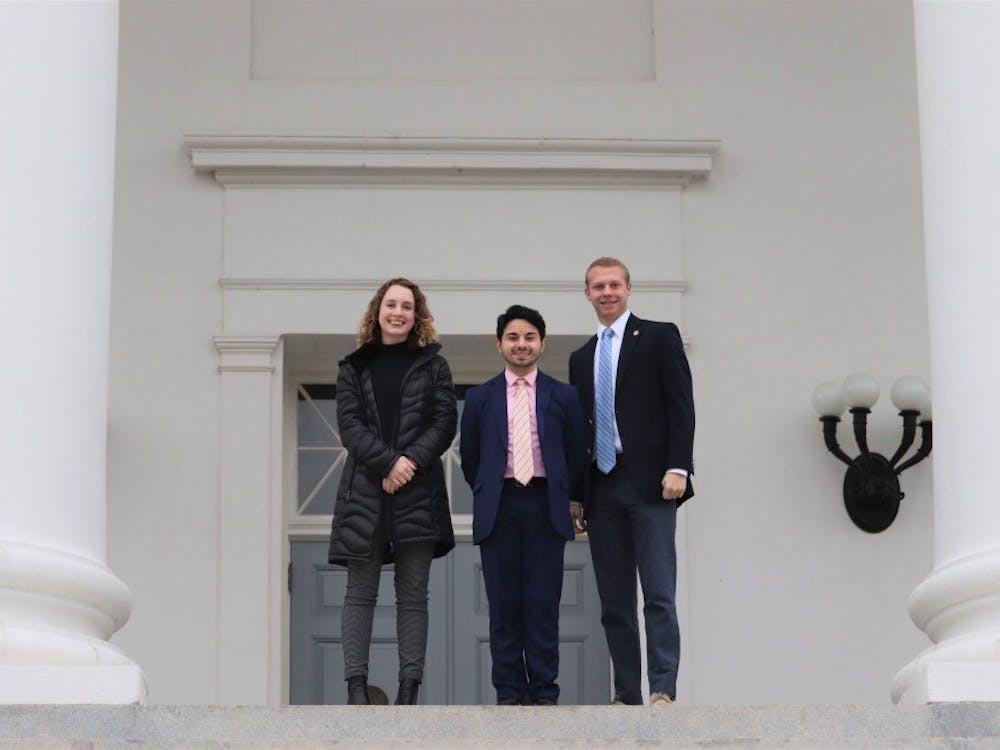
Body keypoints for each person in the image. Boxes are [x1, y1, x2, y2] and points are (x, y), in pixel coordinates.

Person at [567, 257, 695, 707]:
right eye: (597, 286)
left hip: (651, 484)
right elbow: (579, 430)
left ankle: (662, 687)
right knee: (615, 601)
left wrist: (679, 466)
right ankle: (626, 692)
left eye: (614, 285)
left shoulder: (659, 336)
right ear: (587, 294)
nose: (606, 292)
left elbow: (681, 405)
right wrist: (576, 496)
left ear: (628, 288)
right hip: (601, 488)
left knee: (658, 592)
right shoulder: (581, 357)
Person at [328, 277, 457, 706]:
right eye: (391, 305)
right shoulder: (353, 367)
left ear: (416, 314)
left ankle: (408, 690)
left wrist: (408, 464)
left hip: (418, 491)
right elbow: (349, 426)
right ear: (377, 311)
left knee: (413, 595)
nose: (398, 312)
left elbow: (443, 423)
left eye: (407, 306)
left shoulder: (434, 365)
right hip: (365, 491)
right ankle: (356, 689)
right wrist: (387, 463)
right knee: (359, 593)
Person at [460, 305, 586, 706]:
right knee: (504, 607)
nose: (521, 344)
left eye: (529, 337)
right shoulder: (480, 397)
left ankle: (545, 693)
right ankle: (511, 695)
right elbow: (471, 457)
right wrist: (489, 492)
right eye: (513, 337)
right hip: (500, 505)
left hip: (546, 505)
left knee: (543, 605)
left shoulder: (564, 395)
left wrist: (573, 499)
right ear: (499, 345)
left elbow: (575, 454)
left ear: (542, 344)